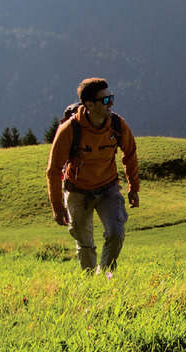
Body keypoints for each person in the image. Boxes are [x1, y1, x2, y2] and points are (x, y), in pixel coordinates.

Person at [46, 77, 140, 277]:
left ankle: (104, 276)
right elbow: (53, 171)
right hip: (78, 191)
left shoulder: (117, 124)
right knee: (84, 242)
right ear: (89, 105)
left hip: (108, 188)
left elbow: (130, 153)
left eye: (111, 97)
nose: (111, 103)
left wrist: (134, 187)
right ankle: (90, 282)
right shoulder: (69, 130)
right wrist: (57, 207)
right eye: (105, 100)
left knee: (116, 233)